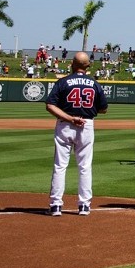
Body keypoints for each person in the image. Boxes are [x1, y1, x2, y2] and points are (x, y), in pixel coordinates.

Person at [45, 51, 109, 216]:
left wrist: (70, 118)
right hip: (86, 125)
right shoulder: (94, 84)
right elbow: (103, 109)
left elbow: (50, 106)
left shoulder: (63, 82)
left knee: (60, 166)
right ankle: (84, 206)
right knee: (84, 167)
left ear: (73, 64)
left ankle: (55, 206)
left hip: (65, 124)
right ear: (88, 65)